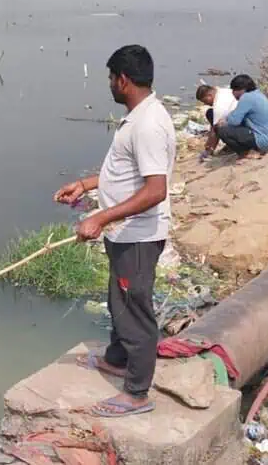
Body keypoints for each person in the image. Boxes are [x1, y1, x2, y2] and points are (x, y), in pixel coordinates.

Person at [53, 44, 175, 418]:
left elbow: (156, 189)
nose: (109, 84)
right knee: (119, 301)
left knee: (135, 309)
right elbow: (125, 173)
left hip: (138, 236)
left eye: (110, 78)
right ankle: (117, 359)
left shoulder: (149, 125)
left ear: (123, 80)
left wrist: (100, 218)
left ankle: (137, 393)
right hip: (126, 236)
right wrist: (87, 186)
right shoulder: (139, 118)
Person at [213, 74, 268, 159]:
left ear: (242, 89)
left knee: (221, 129)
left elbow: (234, 121)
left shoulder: (246, 98)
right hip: (267, 138)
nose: (233, 93)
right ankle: (250, 149)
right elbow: (237, 114)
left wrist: (224, 121)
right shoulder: (256, 94)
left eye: (234, 90)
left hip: (261, 140)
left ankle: (246, 153)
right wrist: (227, 118)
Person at [195, 83, 237, 159]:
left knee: (219, 128)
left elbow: (215, 131)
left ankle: (234, 146)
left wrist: (209, 150)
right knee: (210, 113)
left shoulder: (219, 106)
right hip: (237, 119)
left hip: (241, 125)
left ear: (209, 95)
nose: (205, 104)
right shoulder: (222, 91)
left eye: (205, 100)